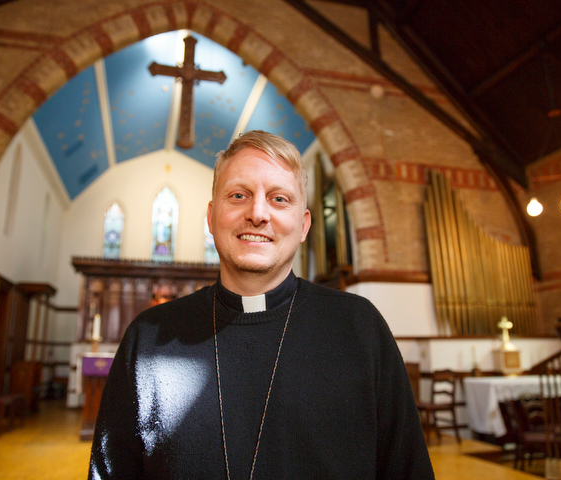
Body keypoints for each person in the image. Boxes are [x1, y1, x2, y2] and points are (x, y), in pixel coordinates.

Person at [88, 130, 434, 479]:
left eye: (280, 199)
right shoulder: (148, 339)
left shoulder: (360, 327)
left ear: (303, 225)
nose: (257, 213)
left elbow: (408, 470)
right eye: (238, 195)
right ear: (211, 217)